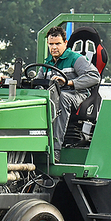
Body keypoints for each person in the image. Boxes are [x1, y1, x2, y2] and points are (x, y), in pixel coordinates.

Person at [37, 26, 100, 162]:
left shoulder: (75, 58)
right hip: (53, 95)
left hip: (76, 94)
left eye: (58, 44)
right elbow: (38, 83)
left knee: (61, 98)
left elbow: (94, 77)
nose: (54, 47)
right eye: (51, 44)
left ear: (65, 43)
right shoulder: (46, 63)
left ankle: (55, 149)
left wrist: (69, 82)